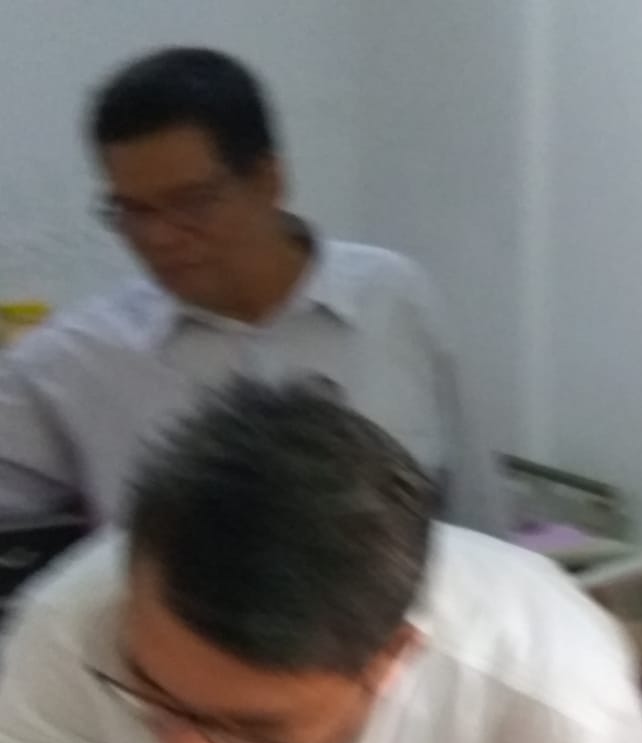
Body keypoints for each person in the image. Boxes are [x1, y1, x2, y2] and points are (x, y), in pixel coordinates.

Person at [0, 377, 642, 743]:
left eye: (253, 732)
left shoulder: (562, 709)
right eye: (152, 697)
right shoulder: (76, 620)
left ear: (391, 657)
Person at [0, 47, 505, 536]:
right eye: (133, 211)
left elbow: (477, 515)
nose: (159, 236)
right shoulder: (79, 360)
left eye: (191, 203)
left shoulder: (392, 301)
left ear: (268, 179)